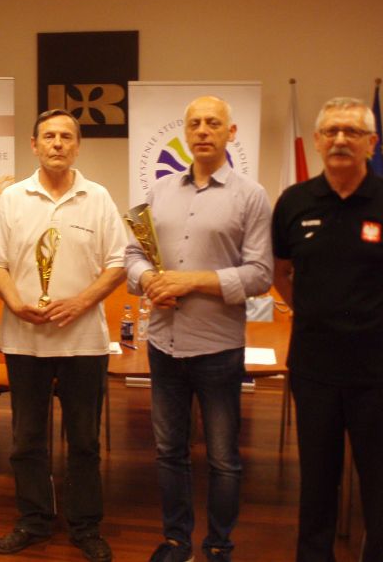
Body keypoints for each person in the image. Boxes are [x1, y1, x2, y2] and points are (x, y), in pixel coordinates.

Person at [272, 97, 383, 562]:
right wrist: (315, 316)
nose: (341, 140)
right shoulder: (294, 202)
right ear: (318, 141)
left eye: (353, 132)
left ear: (371, 143)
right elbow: (280, 273)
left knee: (381, 483)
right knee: (316, 480)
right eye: (332, 131)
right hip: (315, 368)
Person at [125, 96, 273, 562]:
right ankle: (176, 541)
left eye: (213, 123)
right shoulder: (159, 191)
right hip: (163, 344)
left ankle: (218, 546)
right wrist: (149, 281)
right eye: (195, 124)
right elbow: (133, 255)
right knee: (168, 452)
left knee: (223, 458)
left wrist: (192, 281)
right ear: (185, 133)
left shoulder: (251, 196)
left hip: (218, 349)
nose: (203, 130)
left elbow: (260, 274)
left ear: (231, 132)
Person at [0, 109, 127, 562]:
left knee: (84, 441)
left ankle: (85, 526)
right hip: (24, 340)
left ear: (78, 146)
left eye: (66, 136)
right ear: (34, 144)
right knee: (26, 439)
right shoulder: (12, 198)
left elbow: (118, 264)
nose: (58, 143)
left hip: (84, 342)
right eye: (49, 136)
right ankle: (34, 520)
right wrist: (13, 303)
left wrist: (81, 302)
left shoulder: (97, 197)